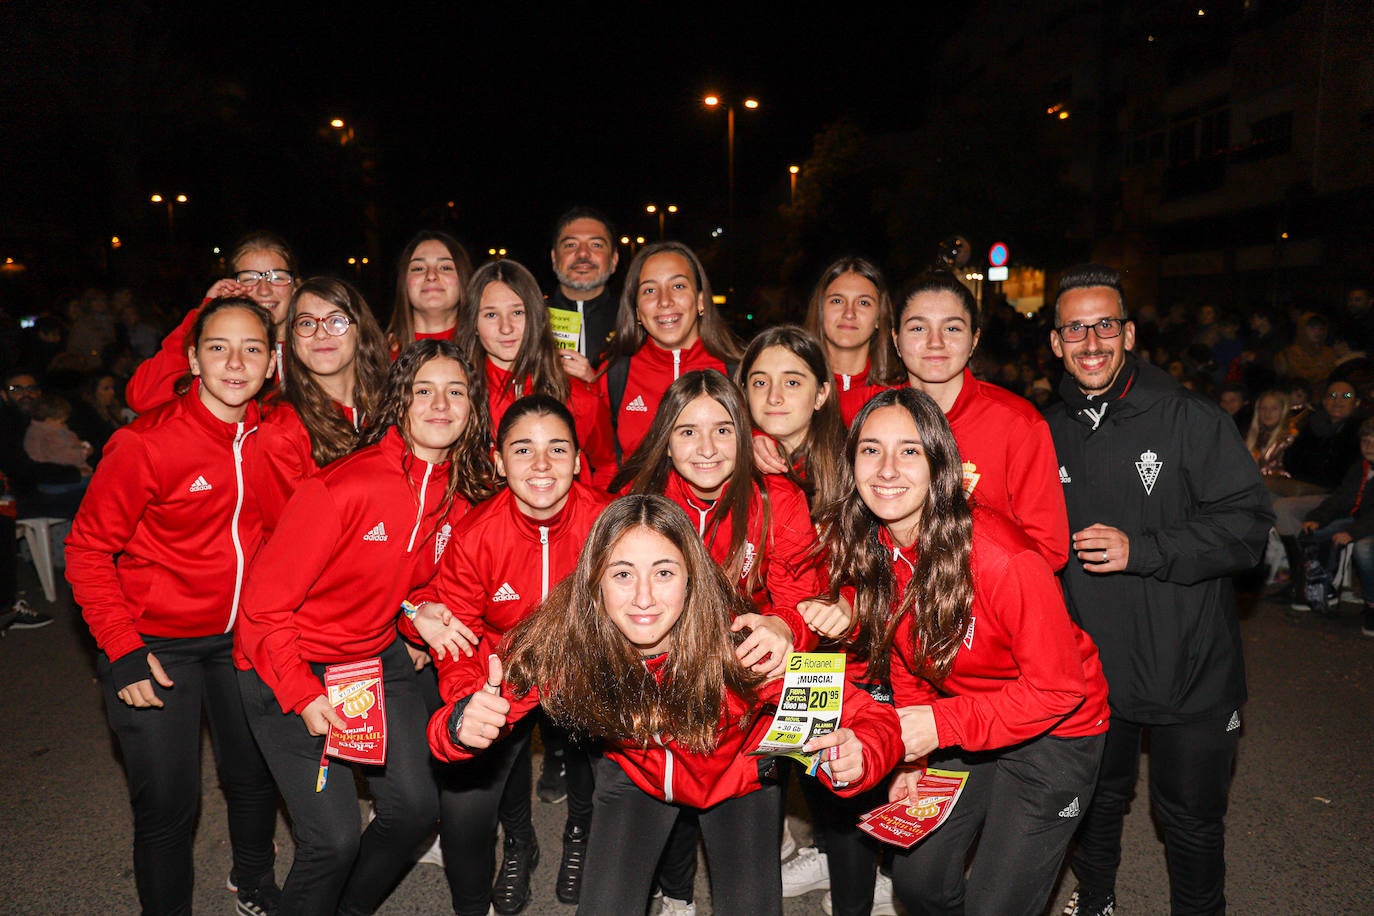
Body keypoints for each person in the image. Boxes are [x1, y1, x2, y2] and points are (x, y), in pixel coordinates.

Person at [428, 493, 903, 916]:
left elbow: (868, 715)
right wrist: (457, 727)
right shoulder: (563, 648)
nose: (643, 598)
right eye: (621, 574)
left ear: (691, 579)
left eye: (663, 572)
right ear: (594, 582)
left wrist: (860, 751)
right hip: (635, 780)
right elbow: (457, 723)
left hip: (738, 783)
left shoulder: (742, 647)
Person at [803, 388, 1108, 916]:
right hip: (963, 718)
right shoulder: (878, 547)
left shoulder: (1004, 559)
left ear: (939, 464)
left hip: (1057, 730)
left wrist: (937, 727)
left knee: (999, 906)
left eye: (910, 450)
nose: (887, 469)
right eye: (871, 450)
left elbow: (1058, 688)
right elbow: (906, 659)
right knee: (916, 880)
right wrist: (912, 758)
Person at [235, 340, 497, 915]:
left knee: (411, 812)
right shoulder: (341, 487)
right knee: (332, 840)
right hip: (288, 665)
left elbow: (406, 584)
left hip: (374, 659)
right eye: (424, 390)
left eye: (456, 392)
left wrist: (415, 613)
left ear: (473, 409)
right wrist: (303, 694)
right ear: (400, 401)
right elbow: (262, 609)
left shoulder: (456, 495)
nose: (440, 404)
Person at [1045, 264, 1274, 916]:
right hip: (1093, 672)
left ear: (1130, 333)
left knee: (1191, 820)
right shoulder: (1046, 429)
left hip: (1191, 668)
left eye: (1105, 325)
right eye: (1076, 329)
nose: (1092, 342)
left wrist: (1141, 550)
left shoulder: (1191, 419)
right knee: (1097, 804)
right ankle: (1097, 902)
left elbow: (1248, 530)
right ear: (1057, 343)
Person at [65, 297, 282, 915]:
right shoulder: (144, 444)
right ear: (192, 358)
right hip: (154, 644)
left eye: (252, 348)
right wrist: (122, 649)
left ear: (272, 363)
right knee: (167, 805)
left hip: (243, 640)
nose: (235, 362)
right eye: (218, 347)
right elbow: (85, 551)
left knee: (252, 778)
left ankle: (255, 883)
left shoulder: (279, 436)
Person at [612, 369, 822, 913]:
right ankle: (674, 895)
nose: (706, 448)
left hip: (741, 726)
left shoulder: (778, 498)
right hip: (647, 728)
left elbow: (805, 594)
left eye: (723, 430)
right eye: (687, 432)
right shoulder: (637, 503)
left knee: (753, 904)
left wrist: (785, 626)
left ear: (744, 434)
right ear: (665, 438)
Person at [407, 396, 611, 914]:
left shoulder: (610, 523)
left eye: (557, 449)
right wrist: (467, 703)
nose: (541, 465)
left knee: (598, 756)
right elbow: (456, 633)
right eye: (523, 449)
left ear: (578, 459)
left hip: (587, 666)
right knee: (468, 810)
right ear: (499, 462)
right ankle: (521, 841)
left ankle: (581, 835)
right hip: (504, 671)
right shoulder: (476, 533)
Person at [892, 269, 1068, 571]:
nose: (935, 342)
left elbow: (1048, 550)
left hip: (987, 608)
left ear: (974, 340)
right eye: (918, 328)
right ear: (896, 339)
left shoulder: (1017, 424)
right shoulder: (877, 417)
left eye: (952, 329)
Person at [459, 259, 617, 490]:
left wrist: (591, 517)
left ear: (535, 317)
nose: (506, 327)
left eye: (517, 312)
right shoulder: (457, 395)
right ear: (473, 323)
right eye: (491, 315)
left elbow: (608, 466)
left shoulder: (576, 394)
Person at [251, 276, 390, 535]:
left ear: (361, 332)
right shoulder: (281, 430)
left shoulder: (393, 408)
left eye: (336, 321)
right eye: (306, 323)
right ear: (292, 339)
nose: (321, 333)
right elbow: (291, 540)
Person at [126, 231, 299, 413]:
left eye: (278, 277)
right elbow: (142, 396)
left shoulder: (315, 350)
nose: (264, 290)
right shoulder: (220, 356)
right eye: (250, 278)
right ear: (233, 287)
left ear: (296, 286)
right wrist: (203, 317)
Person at [601, 241, 743, 459]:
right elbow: (603, 464)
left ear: (701, 300)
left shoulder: (741, 370)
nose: (664, 301)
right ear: (637, 311)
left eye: (678, 286)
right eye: (649, 290)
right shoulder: (612, 373)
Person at [739, 325, 849, 519]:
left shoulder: (850, 465)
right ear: (745, 393)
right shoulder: (726, 460)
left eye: (792, 383)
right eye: (760, 383)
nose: (774, 397)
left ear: (821, 394)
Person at [802, 257, 903, 425]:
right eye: (837, 301)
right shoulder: (792, 386)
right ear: (820, 311)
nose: (849, 313)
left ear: (879, 317)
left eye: (863, 303)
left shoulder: (898, 393)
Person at [1300, 415, 1374, 633]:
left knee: (1364, 549)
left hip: (1366, 526)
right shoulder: (1359, 468)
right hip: (1359, 520)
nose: (1369, 446)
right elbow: (1340, 499)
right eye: (1365, 441)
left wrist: (1352, 532)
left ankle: (1371, 604)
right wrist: (1317, 517)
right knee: (1313, 532)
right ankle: (1321, 587)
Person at [547, 207, 621, 373]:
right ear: (554, 258)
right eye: (570, 245)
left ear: (614, 260)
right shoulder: (531, 321)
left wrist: (595, 385)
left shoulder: (633, 321)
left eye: (596, 245)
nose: (582, 254)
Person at [386, 230, 474, 357]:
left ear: (463, 277)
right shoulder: (378, 355)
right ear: (403, 282)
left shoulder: (488, 349)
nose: (431, 275)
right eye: (418, 268)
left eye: (445, 268)